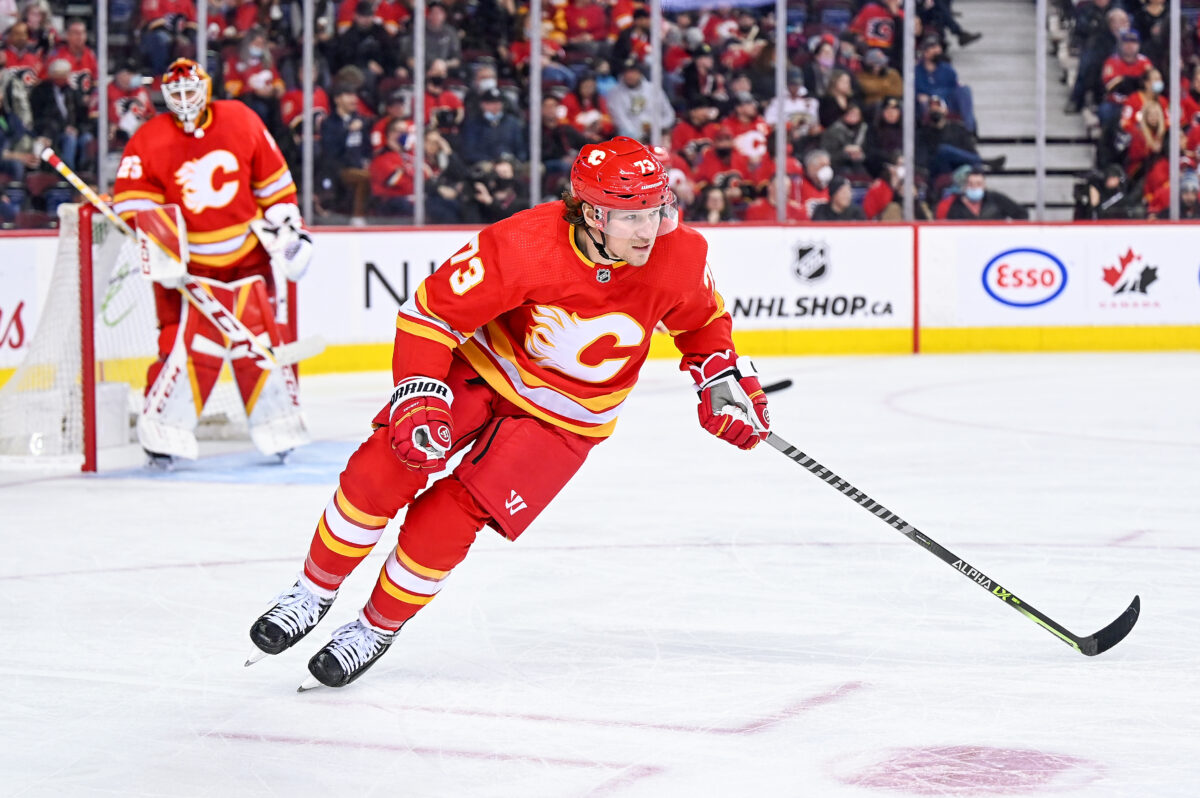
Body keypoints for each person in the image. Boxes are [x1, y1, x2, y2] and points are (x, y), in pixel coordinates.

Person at [245, 136, 771, 690]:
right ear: (593, 213)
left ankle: (375, 628)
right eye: (632, 215)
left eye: (656, 209)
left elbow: (701, 326)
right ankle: (312, 591)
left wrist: (720, 378)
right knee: (386, 466)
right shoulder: (525, 243)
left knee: (450, 519)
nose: (650, 228)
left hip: (568, 420)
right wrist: (420, 390)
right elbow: (431, 314)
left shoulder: (679, 253)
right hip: (487, 370)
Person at [111, 58, 313, 465]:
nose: (185, 100)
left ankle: (278, 426)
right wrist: (163, 245)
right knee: (181, 348)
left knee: (259, 345)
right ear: (165, 97)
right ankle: (162, 433)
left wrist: (292, 230)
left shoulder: (240, 118)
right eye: (177, 93)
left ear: (206, 88)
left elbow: (274, 186)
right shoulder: (148, 139)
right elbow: (133, 204)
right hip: (187, 270)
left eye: (191, 91)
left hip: (247, 260)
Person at [944, 167, 1028, 220]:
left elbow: (1022, 214)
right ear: (965, 186)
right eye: (971, 184)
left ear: (984, 186)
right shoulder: (956, 206)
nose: (974, 187)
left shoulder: (996, 199)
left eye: (978, 184)